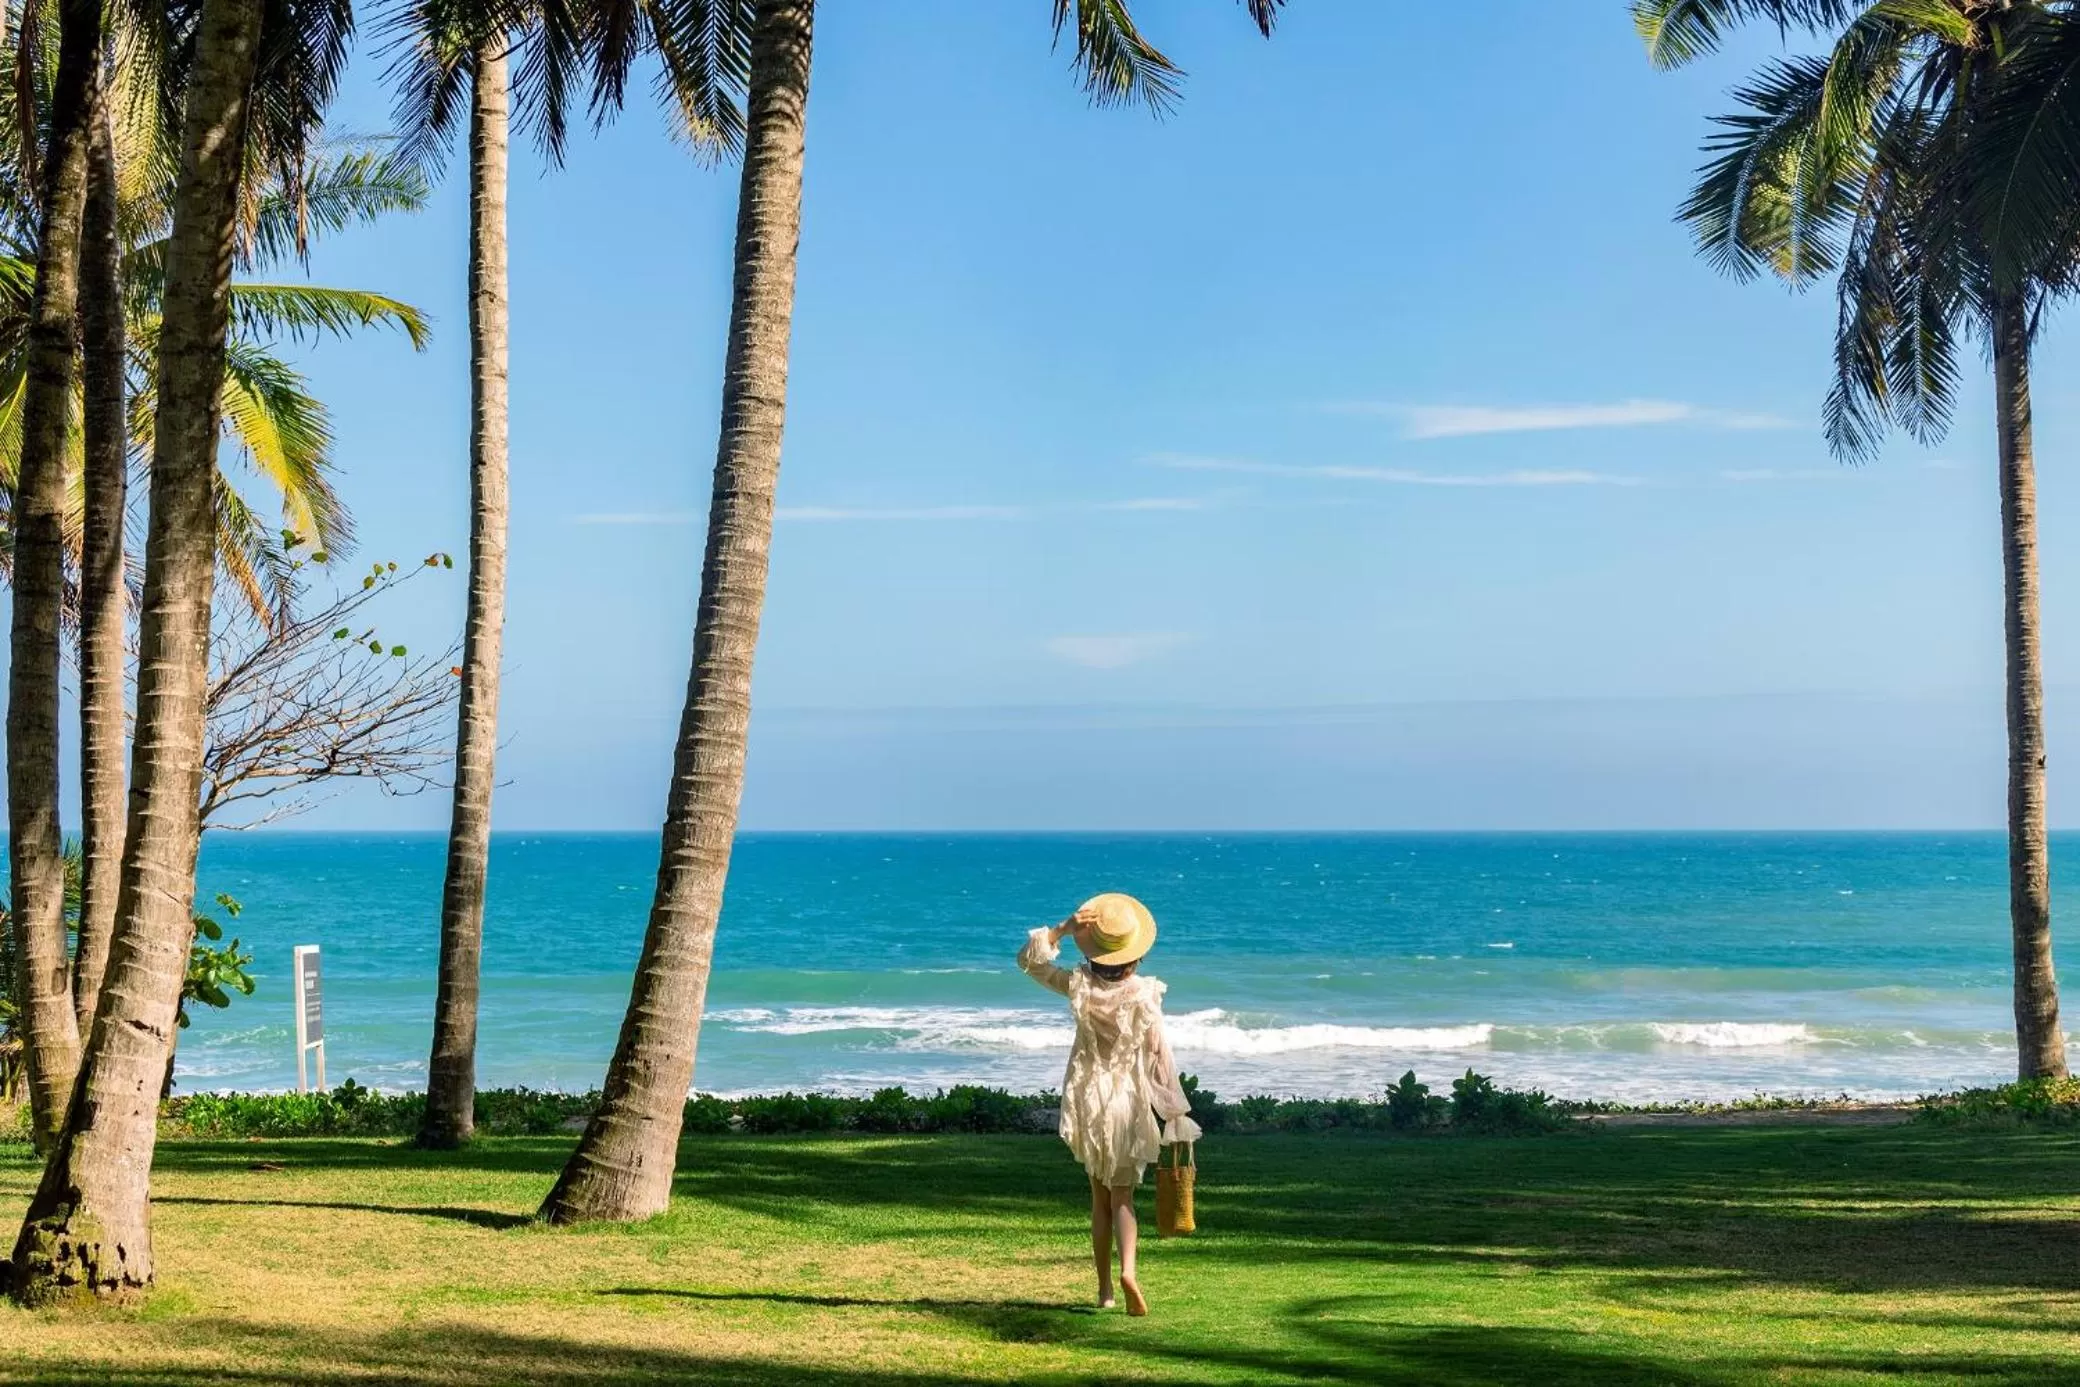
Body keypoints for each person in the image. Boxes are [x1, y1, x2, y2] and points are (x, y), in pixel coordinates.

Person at [1017, 892, 1201, 1317]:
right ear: (1133, 955)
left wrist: (1062, 929)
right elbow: (1159, 1057)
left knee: (1098, 1199)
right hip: (1127, 1101)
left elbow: (1030, 963)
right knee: (1123, 1198)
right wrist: (1175, 1112)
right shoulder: (1145, 994)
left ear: (1094, 951)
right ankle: (1130, 1272)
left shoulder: (1078, 985)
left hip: (1087, 1098)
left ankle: (1104, 1290)